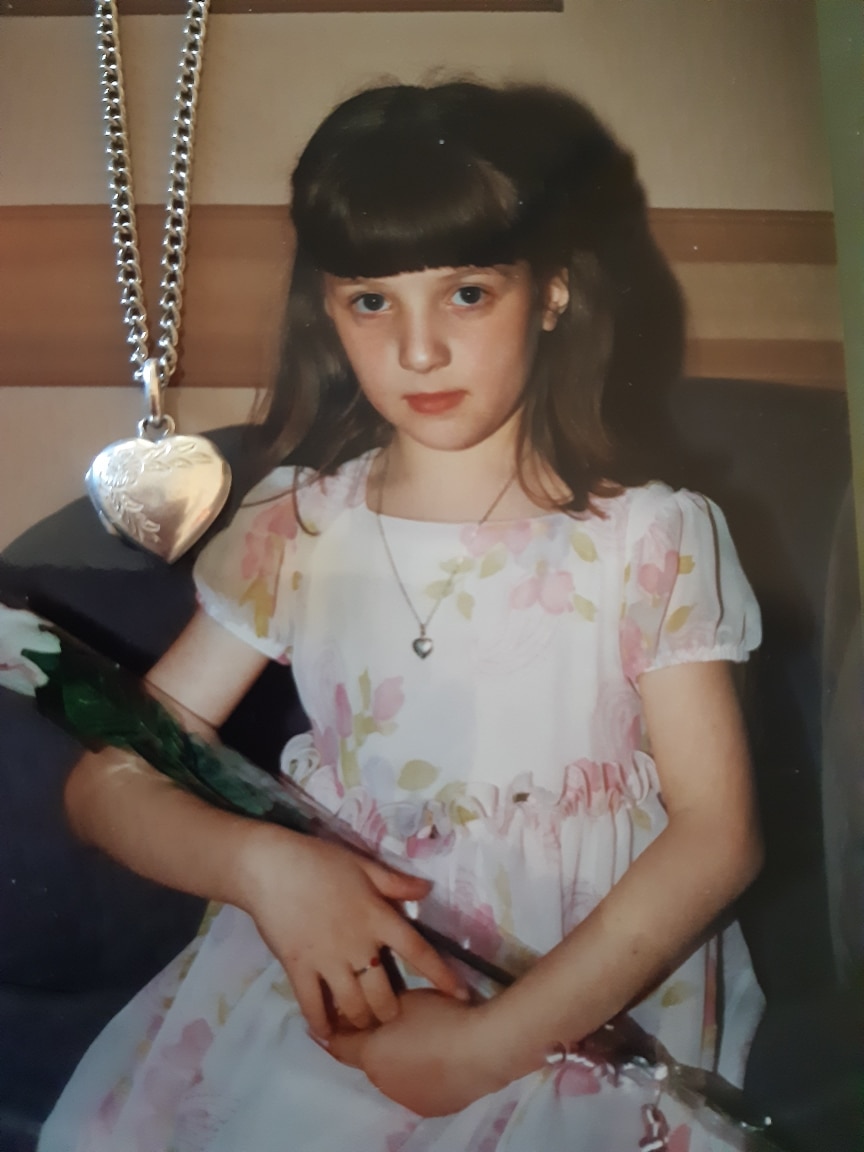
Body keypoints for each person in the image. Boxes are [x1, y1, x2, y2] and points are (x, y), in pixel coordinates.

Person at [39, 81, 765, 1151]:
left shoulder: (651, 541)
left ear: (553, 291)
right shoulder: (298, 527)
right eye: (371, 301)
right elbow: (110, 777)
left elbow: (719, 835)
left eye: (467, 294)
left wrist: (485, 1049)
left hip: (573, 988)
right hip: (338, 972)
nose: (418, 350)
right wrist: (264, 869)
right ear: (327, 312)